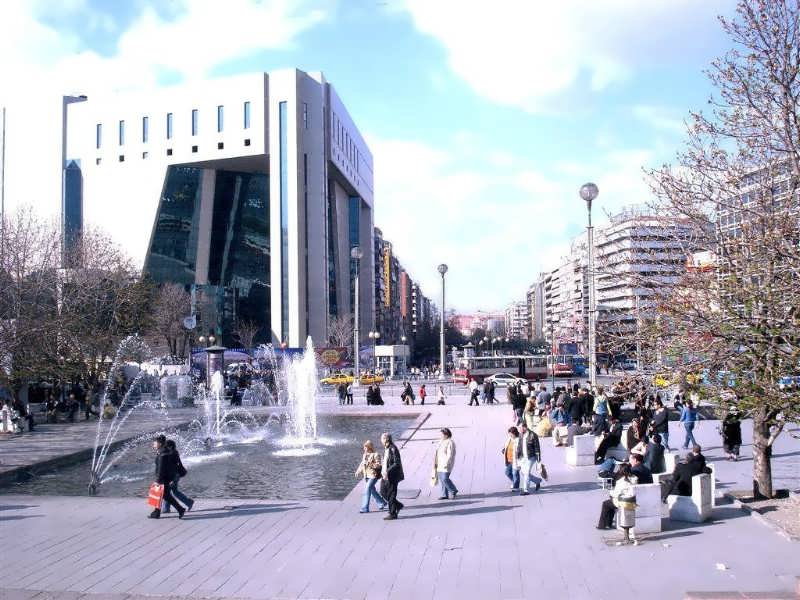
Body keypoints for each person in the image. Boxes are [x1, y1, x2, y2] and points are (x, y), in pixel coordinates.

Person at [149, 435, 186, 519]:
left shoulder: (163, 454)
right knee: (164, 495)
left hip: (163, 479)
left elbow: (161, 469)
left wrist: (158, 480)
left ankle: (180, 509)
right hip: (165, 478)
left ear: (159, 443)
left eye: (155, 442)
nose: (153, 444)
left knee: (164, 495)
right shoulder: (163, 451)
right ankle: (157, 512)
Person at [597, 463, 637, 529]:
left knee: (605, 504)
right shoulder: (634, 478)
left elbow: (616, 494)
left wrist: (611, 493)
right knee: (610, 503)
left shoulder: (622, 481)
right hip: (632, 499)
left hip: (624, 502)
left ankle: (601, 525)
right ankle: (608, 523)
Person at [162, 439, 194, 514]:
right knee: (171, 491)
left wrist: (172, 479)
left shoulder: (172, 454)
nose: (165, 448)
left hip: (174, 476)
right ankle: (188, 502)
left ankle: (166, 508)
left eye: (166, 446)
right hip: (175, 475)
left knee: (168, 492)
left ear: (170, 446)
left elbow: (173, 467)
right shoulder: (174, 452)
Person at [355, 440, 386, 513]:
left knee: (367, 489)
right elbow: (362, 464)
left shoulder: (376, 454)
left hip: (373, 475)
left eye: (365, 447)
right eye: (364, 447)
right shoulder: (365, 455)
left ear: (369, 447)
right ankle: (382, 502)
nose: (364, 448)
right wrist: (358, 471)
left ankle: (365, 508)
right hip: (366, 476)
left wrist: (370, 464)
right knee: (372, 490)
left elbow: (379, 465)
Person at [380, 432, 404, 520]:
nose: (381, 440)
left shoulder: (393, 448)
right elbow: (386, 462)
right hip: (385, 476)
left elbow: (396, 463)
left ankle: (393, 513)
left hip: (392, 476)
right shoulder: (386, 448)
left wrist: (387, 471)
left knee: (391, 495)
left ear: (386, 439)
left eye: (382, 438)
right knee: (383, 492)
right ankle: (398, 505)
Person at [515, 423, 542, 495]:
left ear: (525, 427)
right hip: (523, 457)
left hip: (531, 457)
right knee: (523, 472)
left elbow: (537, 448)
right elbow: (519, 446)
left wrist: (538, 460)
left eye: (520, 428)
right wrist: (518, 457)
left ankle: (526, 490)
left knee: (526, 472)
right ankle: (537, 481)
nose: (519, 429)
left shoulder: (533, 435)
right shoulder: (521, 434)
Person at [434, 428, 458, 500]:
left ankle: (453, 490)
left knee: (445, 478)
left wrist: (446, 463)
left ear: (446, 435)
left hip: (446, 464)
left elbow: (450, 455)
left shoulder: (450, 442)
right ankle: (444, 494)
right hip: (439, 463)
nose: (440, 436)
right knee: (442, 479)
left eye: (441, 434)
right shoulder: (441, 441)